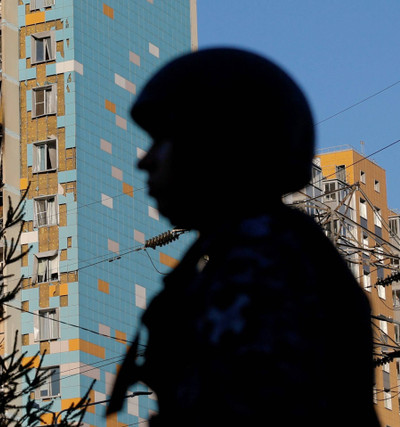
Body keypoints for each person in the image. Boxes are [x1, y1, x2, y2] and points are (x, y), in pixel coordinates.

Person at [107, 48, 380, 426]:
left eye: (162, 140)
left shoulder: (265, 267)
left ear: (213, 145)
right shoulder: (261, 251)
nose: (144, 160)